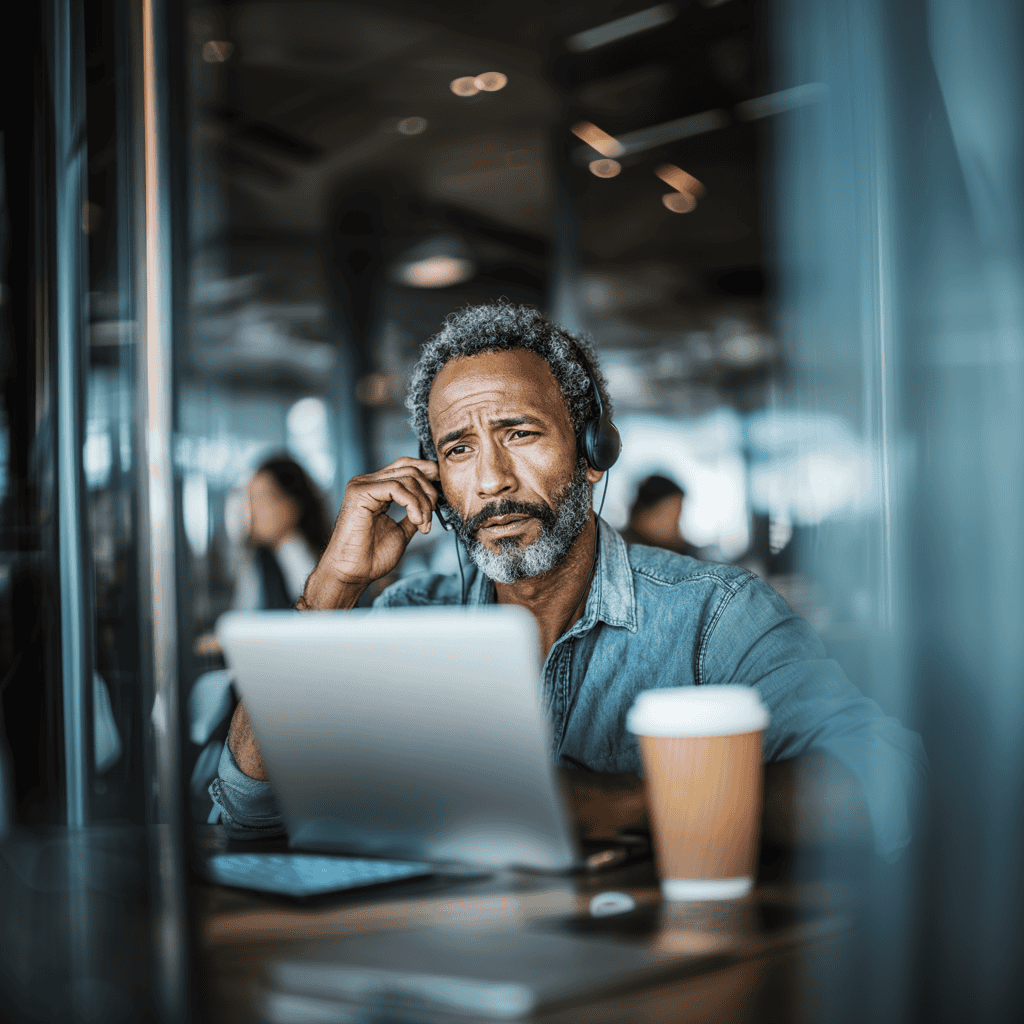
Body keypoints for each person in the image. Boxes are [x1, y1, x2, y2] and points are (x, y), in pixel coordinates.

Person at [211, 303, 927, 861]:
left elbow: (888, 782)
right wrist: (332, 589)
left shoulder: (714, 616)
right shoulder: (407, 615)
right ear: (434, 478)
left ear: (592, 452)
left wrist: (623, 805)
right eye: (459, 449)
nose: (490, 479)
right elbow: (245, 804)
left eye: (519, 433)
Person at [195, 456, 332, 656]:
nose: (252, 511)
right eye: (250, 499)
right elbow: (243, 617)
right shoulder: (258, 558)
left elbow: (318, 623)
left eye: (263, 500)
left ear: (291, 506)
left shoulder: (324, 559)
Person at [620, 474, 698, 558]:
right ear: (643, 514)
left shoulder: (686, 553)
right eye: (669, 516)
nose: (675, 527)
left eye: (677, 517)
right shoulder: (621, 549)